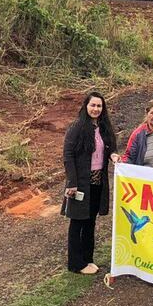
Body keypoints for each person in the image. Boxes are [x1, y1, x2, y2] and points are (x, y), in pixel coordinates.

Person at [61, 91, 118, 275]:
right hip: (79, 183)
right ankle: (75, 264)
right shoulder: (77, 127)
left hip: (97, 182)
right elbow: (68, 155)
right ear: (86, 106)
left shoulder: (104, 127)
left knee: (90, 221)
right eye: (93, 105)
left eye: (99, 106)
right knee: (77, 222)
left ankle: (87, 259)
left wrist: (113, 155)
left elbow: (110, 147)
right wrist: (71, 182)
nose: (96, 109)